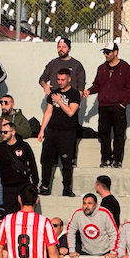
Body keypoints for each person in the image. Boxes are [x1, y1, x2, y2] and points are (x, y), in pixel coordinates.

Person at [85, 42, 130, 168]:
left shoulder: (125, 68)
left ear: (115, 52)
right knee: (104, 134)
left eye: (108, 52)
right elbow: (97, 85)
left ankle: (117, 159)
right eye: (104, 52)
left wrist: (123, 104)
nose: (106, 55)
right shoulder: (101, 68)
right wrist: (89, 91)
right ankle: (105, 158)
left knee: (119, 134)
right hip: (104, 106)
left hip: (118, 107)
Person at [37, 69, 81, 197]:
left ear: (68, 79)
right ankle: (45, 185)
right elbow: (48, 112)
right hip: (52, 131)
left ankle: (67, 188)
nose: (60, 82)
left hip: (67, 132)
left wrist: (60, 101)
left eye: (63, 79)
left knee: (66, 161)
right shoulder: (54, 93)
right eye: (58, 79)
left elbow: (70, 112)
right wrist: (42, 130)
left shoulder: (74, 94)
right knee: (46, 159)